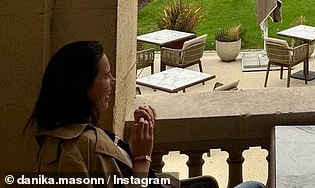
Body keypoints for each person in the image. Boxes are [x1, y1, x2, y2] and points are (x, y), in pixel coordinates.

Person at [26, 41, 265, 187]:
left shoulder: (76, 136)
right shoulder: (67, 155)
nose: (114, 81)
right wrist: (141, 160)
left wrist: (127, 150)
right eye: (106, 76)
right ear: (82, 86)